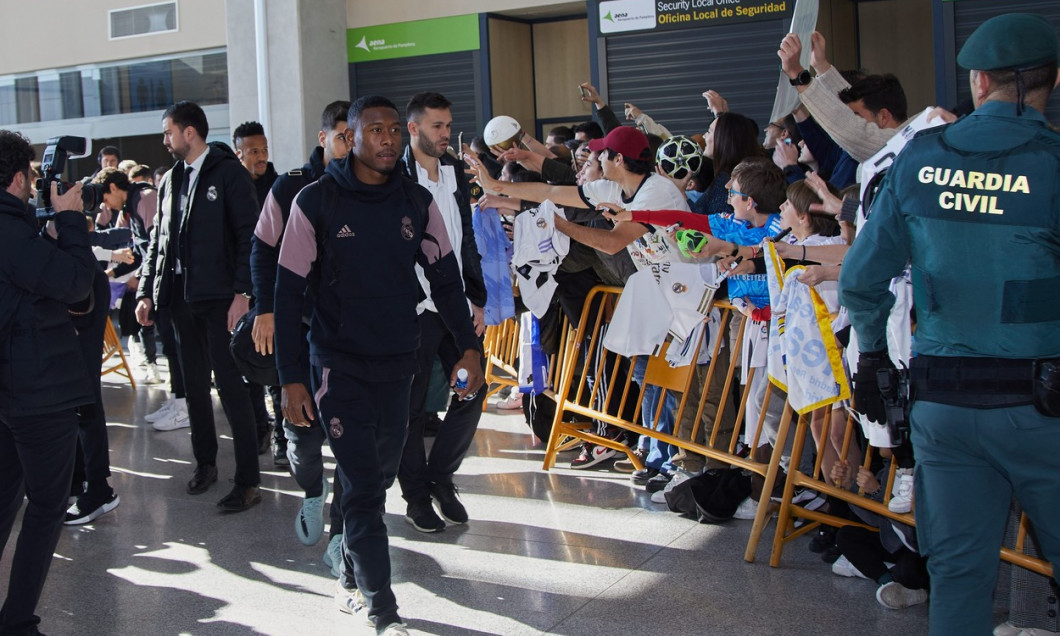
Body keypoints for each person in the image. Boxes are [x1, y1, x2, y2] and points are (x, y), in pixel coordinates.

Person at [837, 13, 1060, 636]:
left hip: (942, 408)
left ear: (980, 81)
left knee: (959, 578)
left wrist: (876, 359)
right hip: (1044, 410)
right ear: (1055, 80)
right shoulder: (1052, 162)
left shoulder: (921, 158)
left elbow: (860, 279)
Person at [273, 95, 484, 636]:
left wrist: (468, 348)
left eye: (394, 130)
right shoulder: (314, 202)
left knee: (381, 475)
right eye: (376, 130)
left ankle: (348, 562)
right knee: (366, 486)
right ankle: (381, 606)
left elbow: (445, 279)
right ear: (352, 136)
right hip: (335, 367)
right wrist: (291, 377)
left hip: (398, 362)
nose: (388, 139)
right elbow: (287, 292)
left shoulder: (416, 202)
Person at [136, 101, 262, 512]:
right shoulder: (171, 179)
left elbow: (250, 236)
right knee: (193, 390)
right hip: (179, 301)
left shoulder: (229, 174)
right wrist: (147, 291)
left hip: (221, 300)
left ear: (190, 133)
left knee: (231, 389)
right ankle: (205, 463)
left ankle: (247, 481)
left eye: (168, 132)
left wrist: (242, 292)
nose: (165, 140)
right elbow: (159, 240)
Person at [0, 129, 98, 636]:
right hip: (36, 392)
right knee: (45, 508)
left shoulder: (16, 234)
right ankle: (17, 623)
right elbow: (79, 284)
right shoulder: (12, 233)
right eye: (34, 177)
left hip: (11, 391)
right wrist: (70, 221)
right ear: (18, 179)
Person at [251, 99, 350, 565]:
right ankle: (313, 489)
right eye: (343, 136)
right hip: (298, 329)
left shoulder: (376, 186)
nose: (351, 145)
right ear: (323, 137)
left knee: (354, 442)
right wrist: (265, 309)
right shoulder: (290, 188)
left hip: (351, 336)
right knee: (303, 438)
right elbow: (261, 251)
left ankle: (342, 534)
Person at [397, 91, 488, 533]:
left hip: (455, 301)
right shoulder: (394, 172)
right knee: (410, 408)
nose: (446, 134)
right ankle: (415, 494)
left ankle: (441, 477)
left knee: (473, 388)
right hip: (413, 305)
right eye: (437, 126)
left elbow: (465, 235)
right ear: (413, 128)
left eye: (448, 126)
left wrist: (478, 297)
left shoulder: (454, 169)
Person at [233, 120, 281, 456]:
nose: (261, 157)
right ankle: (258, 429)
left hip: (272, 291)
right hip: (239, 294)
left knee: (276, 364)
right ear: (239, 154)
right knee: (246, 364)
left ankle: (282, 433)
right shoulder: (231, 189)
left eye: (263, 150)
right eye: (253, 151)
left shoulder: (279, 188)